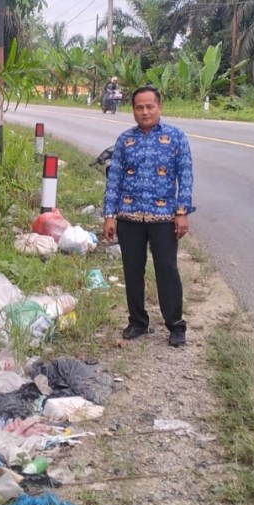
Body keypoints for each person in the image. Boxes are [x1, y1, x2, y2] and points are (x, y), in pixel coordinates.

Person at [102, 85, 194, 347]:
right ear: (133, 110)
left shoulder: (175, 137)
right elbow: (114, 179)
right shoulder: (125, 140)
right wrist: (109, 215)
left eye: (149, 106)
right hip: (128, 216)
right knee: (132, 270)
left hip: (163, 217)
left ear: (159, 107)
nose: (145, 112)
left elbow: (185, 176)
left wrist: (182, 212)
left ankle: (175, 325)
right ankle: (137, 322)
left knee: (167, 269)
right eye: (139, 107)